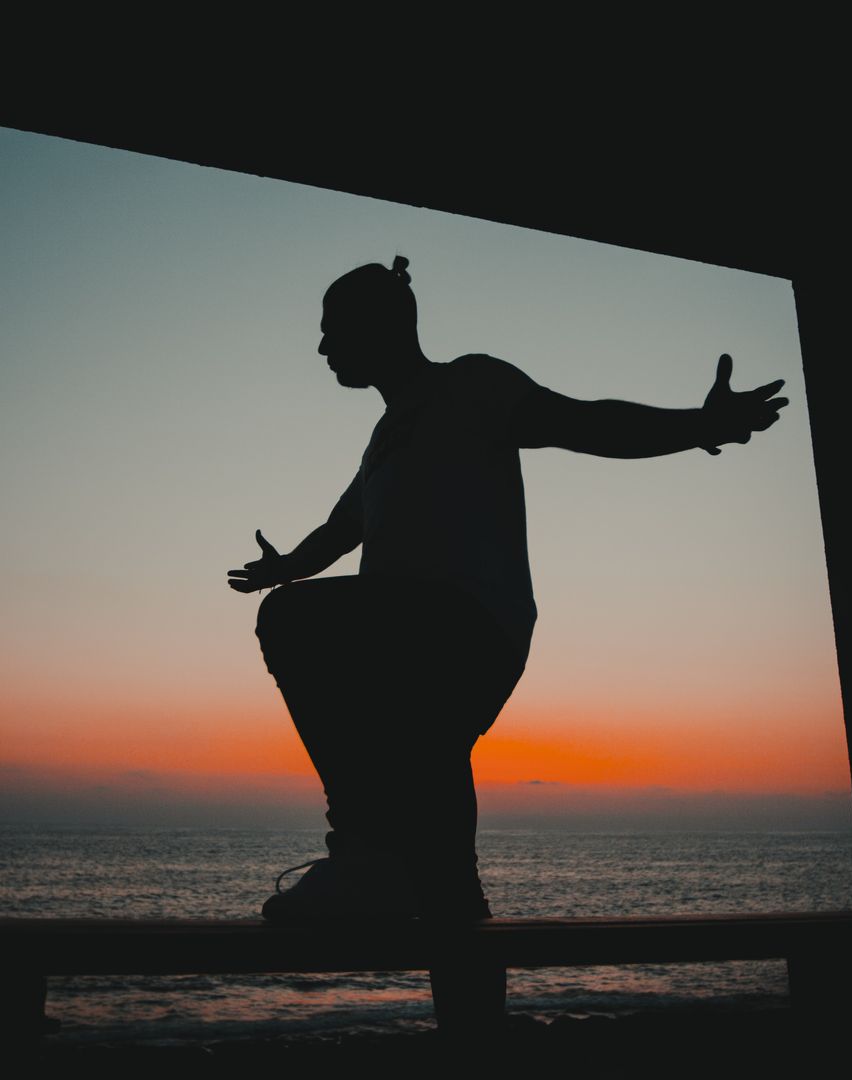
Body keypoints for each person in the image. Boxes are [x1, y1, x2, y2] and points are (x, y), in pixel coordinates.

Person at [227, 254, 788, 1034]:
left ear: (381, 326)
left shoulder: (473, 384)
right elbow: (341, 527)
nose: (321, 348)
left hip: (464, 629)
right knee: (438, 834)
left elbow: (587, 421)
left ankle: (359, 853)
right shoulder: (385, 436)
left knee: (292, 623)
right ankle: (473, 1033)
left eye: (332, 330)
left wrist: (703, 426)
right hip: (403, 656)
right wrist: (286, 564)